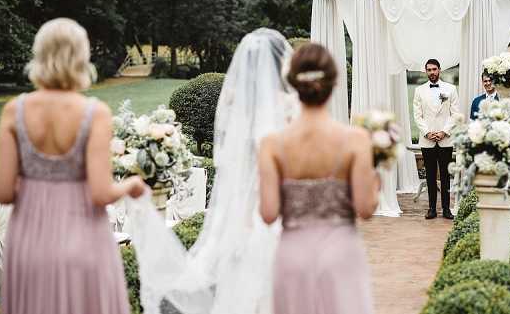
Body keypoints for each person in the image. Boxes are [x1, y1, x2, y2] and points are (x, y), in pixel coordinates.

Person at [126, 28, 295, 314]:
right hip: (280, 207)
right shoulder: (289, 106)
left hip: (244, 211)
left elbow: (230, 164)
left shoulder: (236, 106)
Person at [0, 18, 146, 314]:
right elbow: (101, 193)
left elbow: (1, 191)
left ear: (39, 55)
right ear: (81, 58)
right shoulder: (95, 114)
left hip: (30, 239)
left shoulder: (15, 110)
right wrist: (132, 184)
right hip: (83, 234)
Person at [259, 43, 378, 314]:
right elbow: (365, 208)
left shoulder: (272, 144)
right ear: (334, 85)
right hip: (341, 255)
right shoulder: (355, 140)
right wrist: (375, 180)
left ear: (293, 85)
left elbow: (268, 213)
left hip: (292, 256)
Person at [413, 59, 460, 220]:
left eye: (434, 69)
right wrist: (427, 133)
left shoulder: (451, 89)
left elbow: (455, 115)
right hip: (427, 140)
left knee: (446, 176)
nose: (432, 72)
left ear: (439, 70)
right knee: (430, 176)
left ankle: (446, 209)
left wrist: (444, 132)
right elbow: (417, 116)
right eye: (429, 70)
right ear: (426, 71)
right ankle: (432, 208)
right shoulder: (419, 90)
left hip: (445, 139)